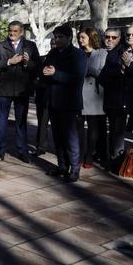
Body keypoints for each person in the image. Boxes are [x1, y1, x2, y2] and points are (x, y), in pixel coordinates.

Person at [0, 20, 40, 163]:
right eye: (10, 31)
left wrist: (27, 63)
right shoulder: (0, 46)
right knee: (1, 121)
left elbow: (37, 66)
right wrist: (9, 62)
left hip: (22, 90)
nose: (11, 33)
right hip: (4, 90)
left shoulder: (30, 46)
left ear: (22, 32)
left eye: (15, 31)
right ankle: (1, 150)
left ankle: (22, 151)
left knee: (21, 122)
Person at [42, 24, 87, 182]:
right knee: (58, 137)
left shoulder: (78, 55)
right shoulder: (53, 53)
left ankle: (75, 168)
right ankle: (62, 165)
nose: (57, 40)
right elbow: (45, 71)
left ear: (69, 38)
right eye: (55, 37)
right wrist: (44, 73)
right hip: (53, 101)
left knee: (71, 137)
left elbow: (77, 78)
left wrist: (56, 74)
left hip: (69, 102)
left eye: (61, 37)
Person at [98, 27, 130, 164]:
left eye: (113, 37)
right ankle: (112, 160)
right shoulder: (109, 52)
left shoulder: (122, 52)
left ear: (119, 38)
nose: (109, 39)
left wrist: (103, 76)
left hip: (119, 100)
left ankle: (117, 163)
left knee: (117, 133)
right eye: (107, 37)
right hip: (109, 99)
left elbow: (109, 76)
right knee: (112, 132)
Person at [76, 28, 107, 169]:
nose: (80, 40)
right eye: (79, 37)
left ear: (91, 37)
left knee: (94, 128)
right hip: (78, 94)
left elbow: (104, 74)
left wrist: (92, 71)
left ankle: (89, 156)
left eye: (83, 37)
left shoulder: (102, 53)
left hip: (95, 95)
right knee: (78, 128)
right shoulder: (77, 53)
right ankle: (80, 155)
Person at [33, 38, 56, 157]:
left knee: (59, 126)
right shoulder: (42, 59)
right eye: (52, 44)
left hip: (57, 97)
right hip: (42, 96)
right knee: (42, 123)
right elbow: (35, 77)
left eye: (56, 44)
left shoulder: (65, 60)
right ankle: (41, 147)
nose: (54, 46)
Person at [123, 24, 133, 149]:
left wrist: (129, 64)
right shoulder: (123, 50)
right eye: (128, 34)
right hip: (127, 100)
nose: (130, 37)